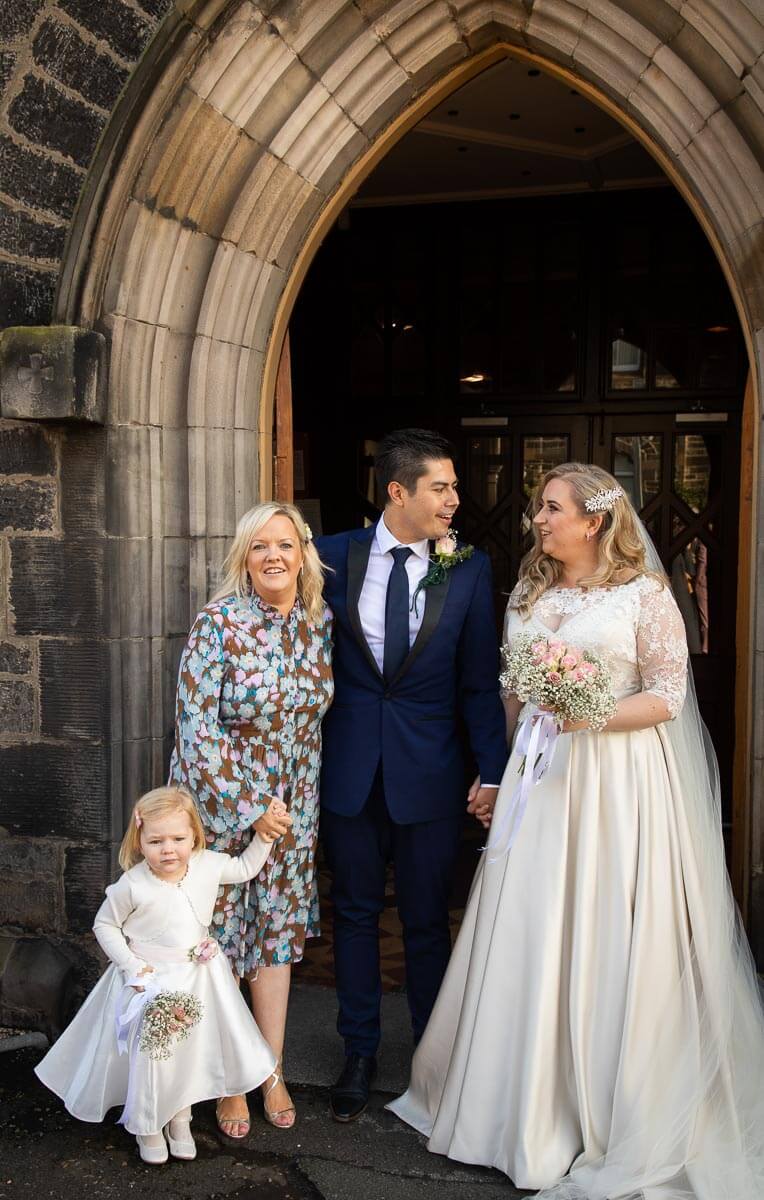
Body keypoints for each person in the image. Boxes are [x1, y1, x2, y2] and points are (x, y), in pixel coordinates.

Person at [389, 462, 764, 1199]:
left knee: (609, 925)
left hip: (619, 784)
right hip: (542, 781)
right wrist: (498, 775)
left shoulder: (644, 594)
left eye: (552, 507)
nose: (539, 518)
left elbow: (666, 696)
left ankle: (613, 1104)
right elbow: (510, 695)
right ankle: (520, 1104)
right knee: (530, 923)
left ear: (594, 522)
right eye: (539, 506)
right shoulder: (530, 595)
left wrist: (583, 714)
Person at [316, 429, 507, 1122]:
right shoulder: (329, 557)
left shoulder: (469, 570)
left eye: (454, 487)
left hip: (431, 775)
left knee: (428, 921)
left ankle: (432, 1055)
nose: (455, 500)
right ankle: (358, 1051)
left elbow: (478, 682)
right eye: (441, 488)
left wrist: (494, 772)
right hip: (350, 772)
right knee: (354, 916)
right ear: (397, 491)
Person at [169, 502, 333, 1137]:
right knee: (224, 940)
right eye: (260, 546)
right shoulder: (217, 625)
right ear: (244, 557)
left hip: (293, 810)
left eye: (285, 545)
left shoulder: (319, 623)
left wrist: (284, 812)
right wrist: (250, 809)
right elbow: (196, 729)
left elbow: (312, 720)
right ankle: (230, 1077)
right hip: (222, 810)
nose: (273, 556)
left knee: (276, 938)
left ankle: (271, 1069)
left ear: (303, 554)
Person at [34, 786, 281, 1164]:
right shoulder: (133, 884)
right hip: (150, 983)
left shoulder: (207, 864)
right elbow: (104, 925)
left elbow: (244, 868)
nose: (168, 849)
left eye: (178, 839)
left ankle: (180, 1119)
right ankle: (147, 1125)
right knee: (153, 1054)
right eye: (156, 841)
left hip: (198, 979)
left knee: (187, 1054)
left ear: (194, 836)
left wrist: (264, 838)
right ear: (140, 841)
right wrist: (131, 965)